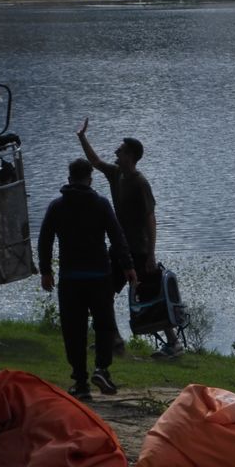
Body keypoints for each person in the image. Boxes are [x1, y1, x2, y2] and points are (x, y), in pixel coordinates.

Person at [77, 118, 185, 358]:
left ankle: (174, 343)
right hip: (119, 248)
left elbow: (150, 218)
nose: (116, 151)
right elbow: (94, 162)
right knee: (102, 291)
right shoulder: (117, 174)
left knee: (150, 292)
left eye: (121, 150)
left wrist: (151, 254)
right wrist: (82, 137)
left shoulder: (140, 183)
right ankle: (112, 339)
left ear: (131, 156)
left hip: (138, 250)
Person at [38, 158, 137, 400]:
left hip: (71, 278)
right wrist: (128, 267)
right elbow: (117, 237)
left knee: (74, 330)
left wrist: (46, 271)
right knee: (104, 326)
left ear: (69, 178)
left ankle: (80, 381)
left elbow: (45, 239)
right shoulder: (101, 204)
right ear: (90, 179)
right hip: (99, 276)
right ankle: (102, 369)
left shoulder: (57, 206)